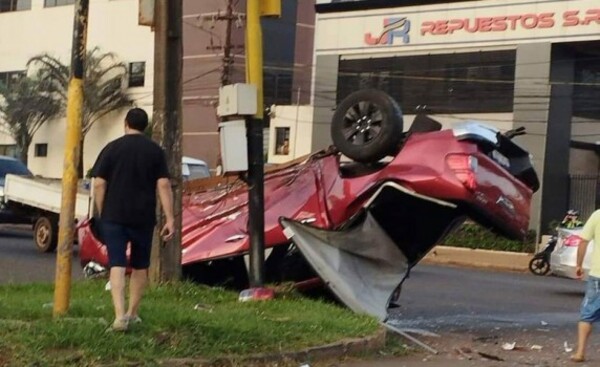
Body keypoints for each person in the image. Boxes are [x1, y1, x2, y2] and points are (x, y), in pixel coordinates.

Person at [92, 108, 174, 332]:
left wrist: (102, 209)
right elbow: (164, 185)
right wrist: (170, 218)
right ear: (145, 126)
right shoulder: (155, 151)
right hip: (143, 217)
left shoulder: (112, 148)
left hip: (114, 216)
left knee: (116, 264)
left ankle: (119, 317)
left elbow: (99, 183)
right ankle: (132, 313)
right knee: (140, 266)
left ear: (126, 123)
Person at [571, 209, 600, 362]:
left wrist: (579, 265)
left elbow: (583, 241)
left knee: (588, 314)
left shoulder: (597, 215)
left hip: (598, 274)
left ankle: (580, 352)